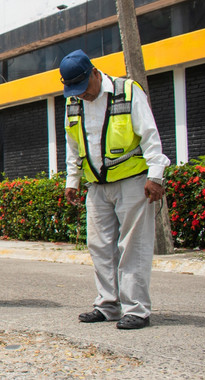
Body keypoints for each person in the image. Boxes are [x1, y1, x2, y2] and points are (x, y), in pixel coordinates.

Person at [59, 49, 169, 330]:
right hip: (96, 186)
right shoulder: (73, 102)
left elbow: (150, 135)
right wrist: (73, 180)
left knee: (133, 246)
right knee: (100, 246)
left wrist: (155, 175)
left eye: (84, 88)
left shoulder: (128, 91)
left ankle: (137, 309)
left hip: (132, 181)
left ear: (95, 73)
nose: (82, 94)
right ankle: (108, 305)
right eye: (75, 90)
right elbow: (73, 146)